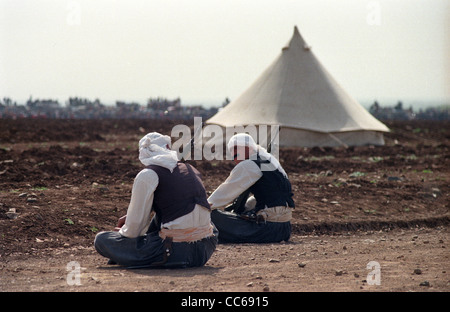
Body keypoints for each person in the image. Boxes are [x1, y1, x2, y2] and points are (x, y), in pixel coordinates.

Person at [94, 132, 218, 268]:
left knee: (101, 239)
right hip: (204, 251)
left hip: (173, 252)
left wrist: (122, 233)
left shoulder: (148, 174)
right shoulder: (191, 169)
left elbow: (134, 229)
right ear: (169, 148)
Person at [208, 133, 295, 243]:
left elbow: (223, 194)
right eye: (232, 150)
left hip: (267, 229)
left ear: (248, 148)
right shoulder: (268, 161)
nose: (234, 154)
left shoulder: (249, 164)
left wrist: (200, 210)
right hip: (284, 229)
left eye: (237, 148)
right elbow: (270, 193)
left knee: (210, 216)